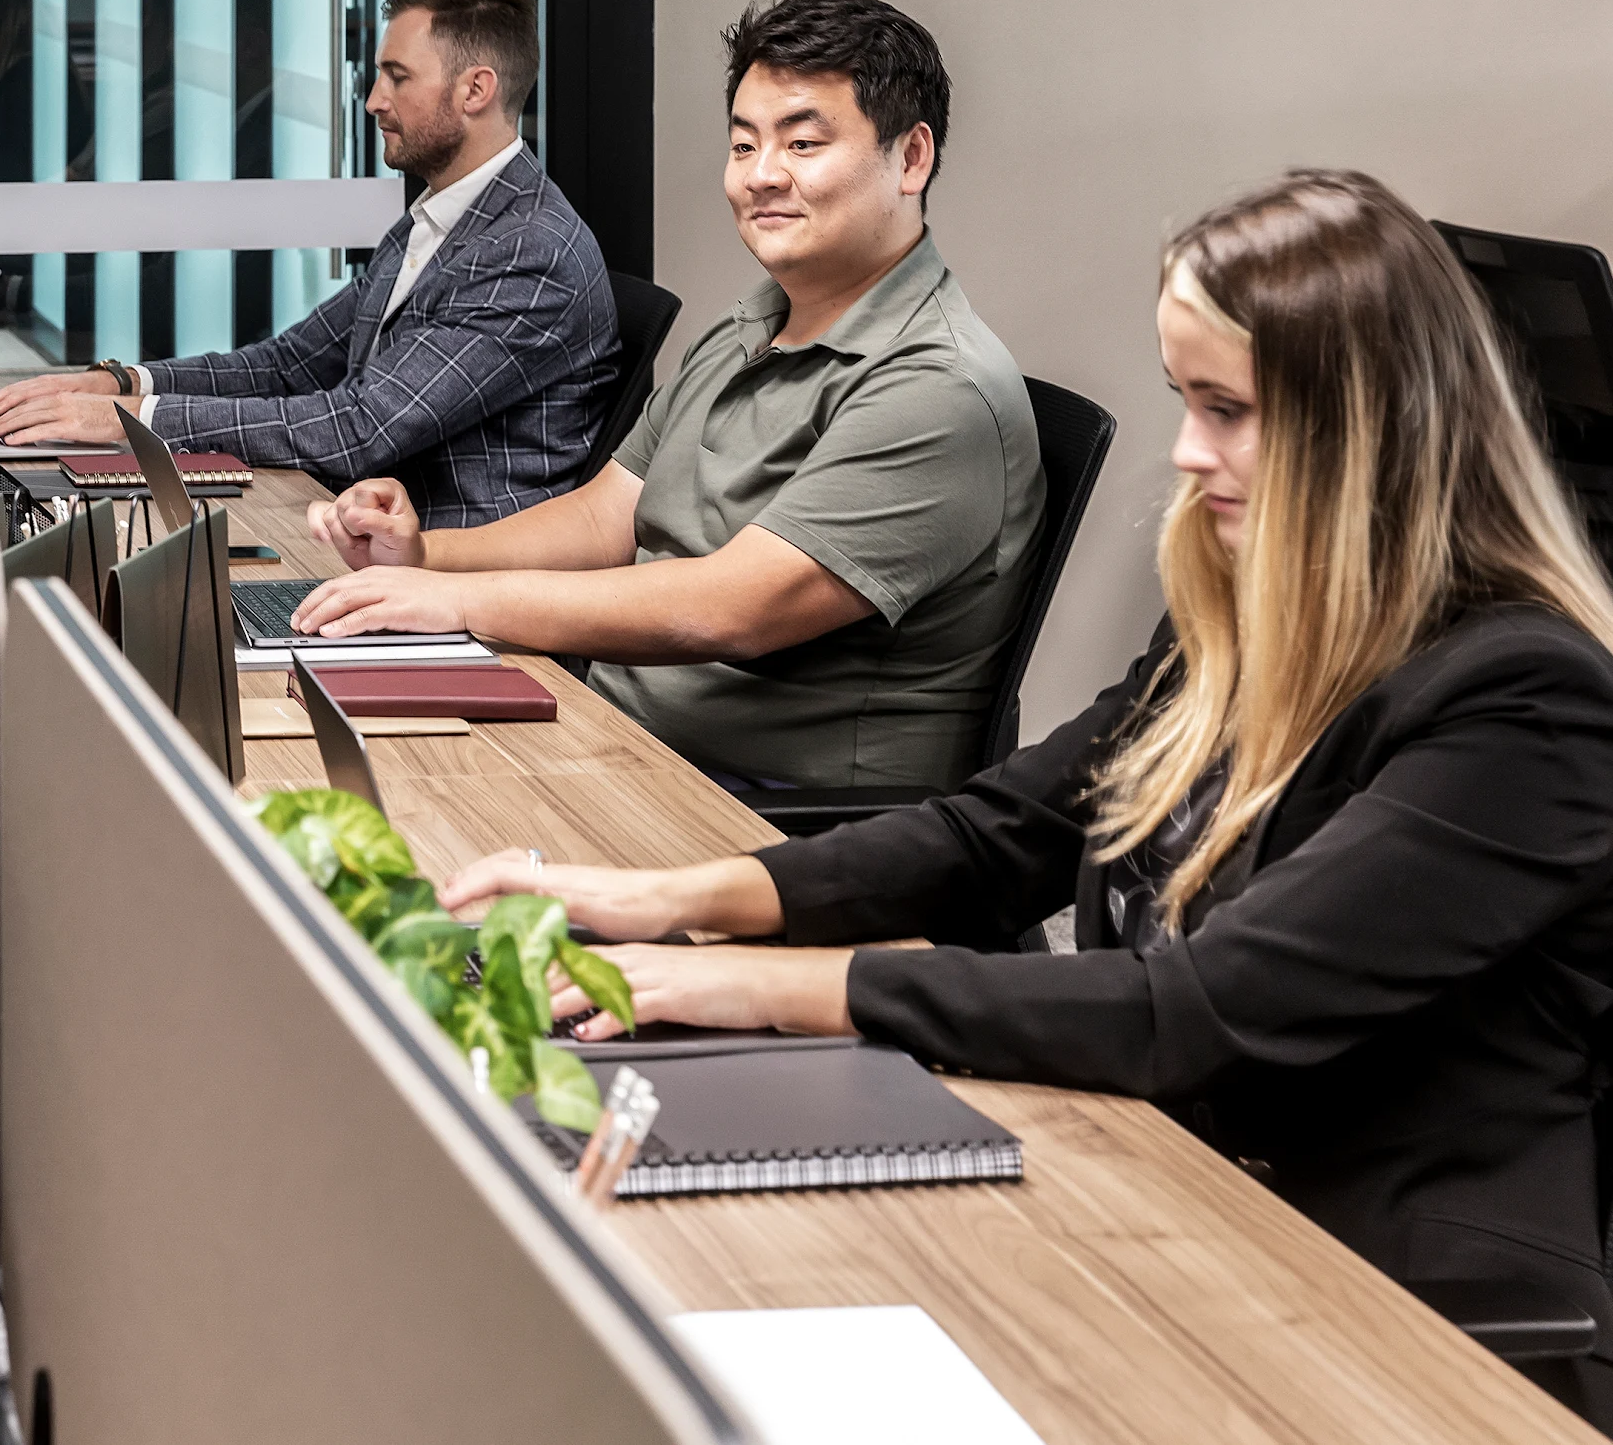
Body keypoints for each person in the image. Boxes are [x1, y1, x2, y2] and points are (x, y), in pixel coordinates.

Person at [453, 169, 1613, 1417]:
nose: (1186, 450)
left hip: (1388, 1322)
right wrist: (668, 901)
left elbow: (1200, 1008)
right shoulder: (1253, 612)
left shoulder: (1528, 700)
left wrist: (750, 982)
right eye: (1185, 399)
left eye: (1230, 409)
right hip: (1170, 1196)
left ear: (1371, 426)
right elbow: (1001, 832)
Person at [295, 0, 1041, 792]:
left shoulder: (936, 386)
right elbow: (606, 515)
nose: (761, 177)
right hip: (608, 730)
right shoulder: (754, 322)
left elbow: (730, 610)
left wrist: (457, 603)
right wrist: (425, 558)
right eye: (743, 144)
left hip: (764, 812)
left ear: (912, 159)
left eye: (802, 145)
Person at [0, 0, 620, 528]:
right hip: (364, 533)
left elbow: (360, 428)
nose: (373, 102)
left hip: (452, 577)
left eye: (398, 78)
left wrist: (130, 418)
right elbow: (289, 365)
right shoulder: (441, 218)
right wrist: (121, 381)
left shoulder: (524, 250)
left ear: (474, 90)